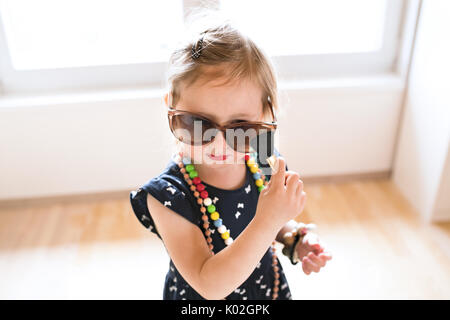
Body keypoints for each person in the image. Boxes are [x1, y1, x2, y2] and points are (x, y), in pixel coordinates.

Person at [130, 11, 332, 300]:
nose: (220, 145)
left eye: (242, 128)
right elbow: (209, 285)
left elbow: (266, 218)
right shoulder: (168, 196)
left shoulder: (262, 158)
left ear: (265, 115)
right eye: (198, 125)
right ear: (171, 108)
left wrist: (293, 237)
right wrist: (269, 219)